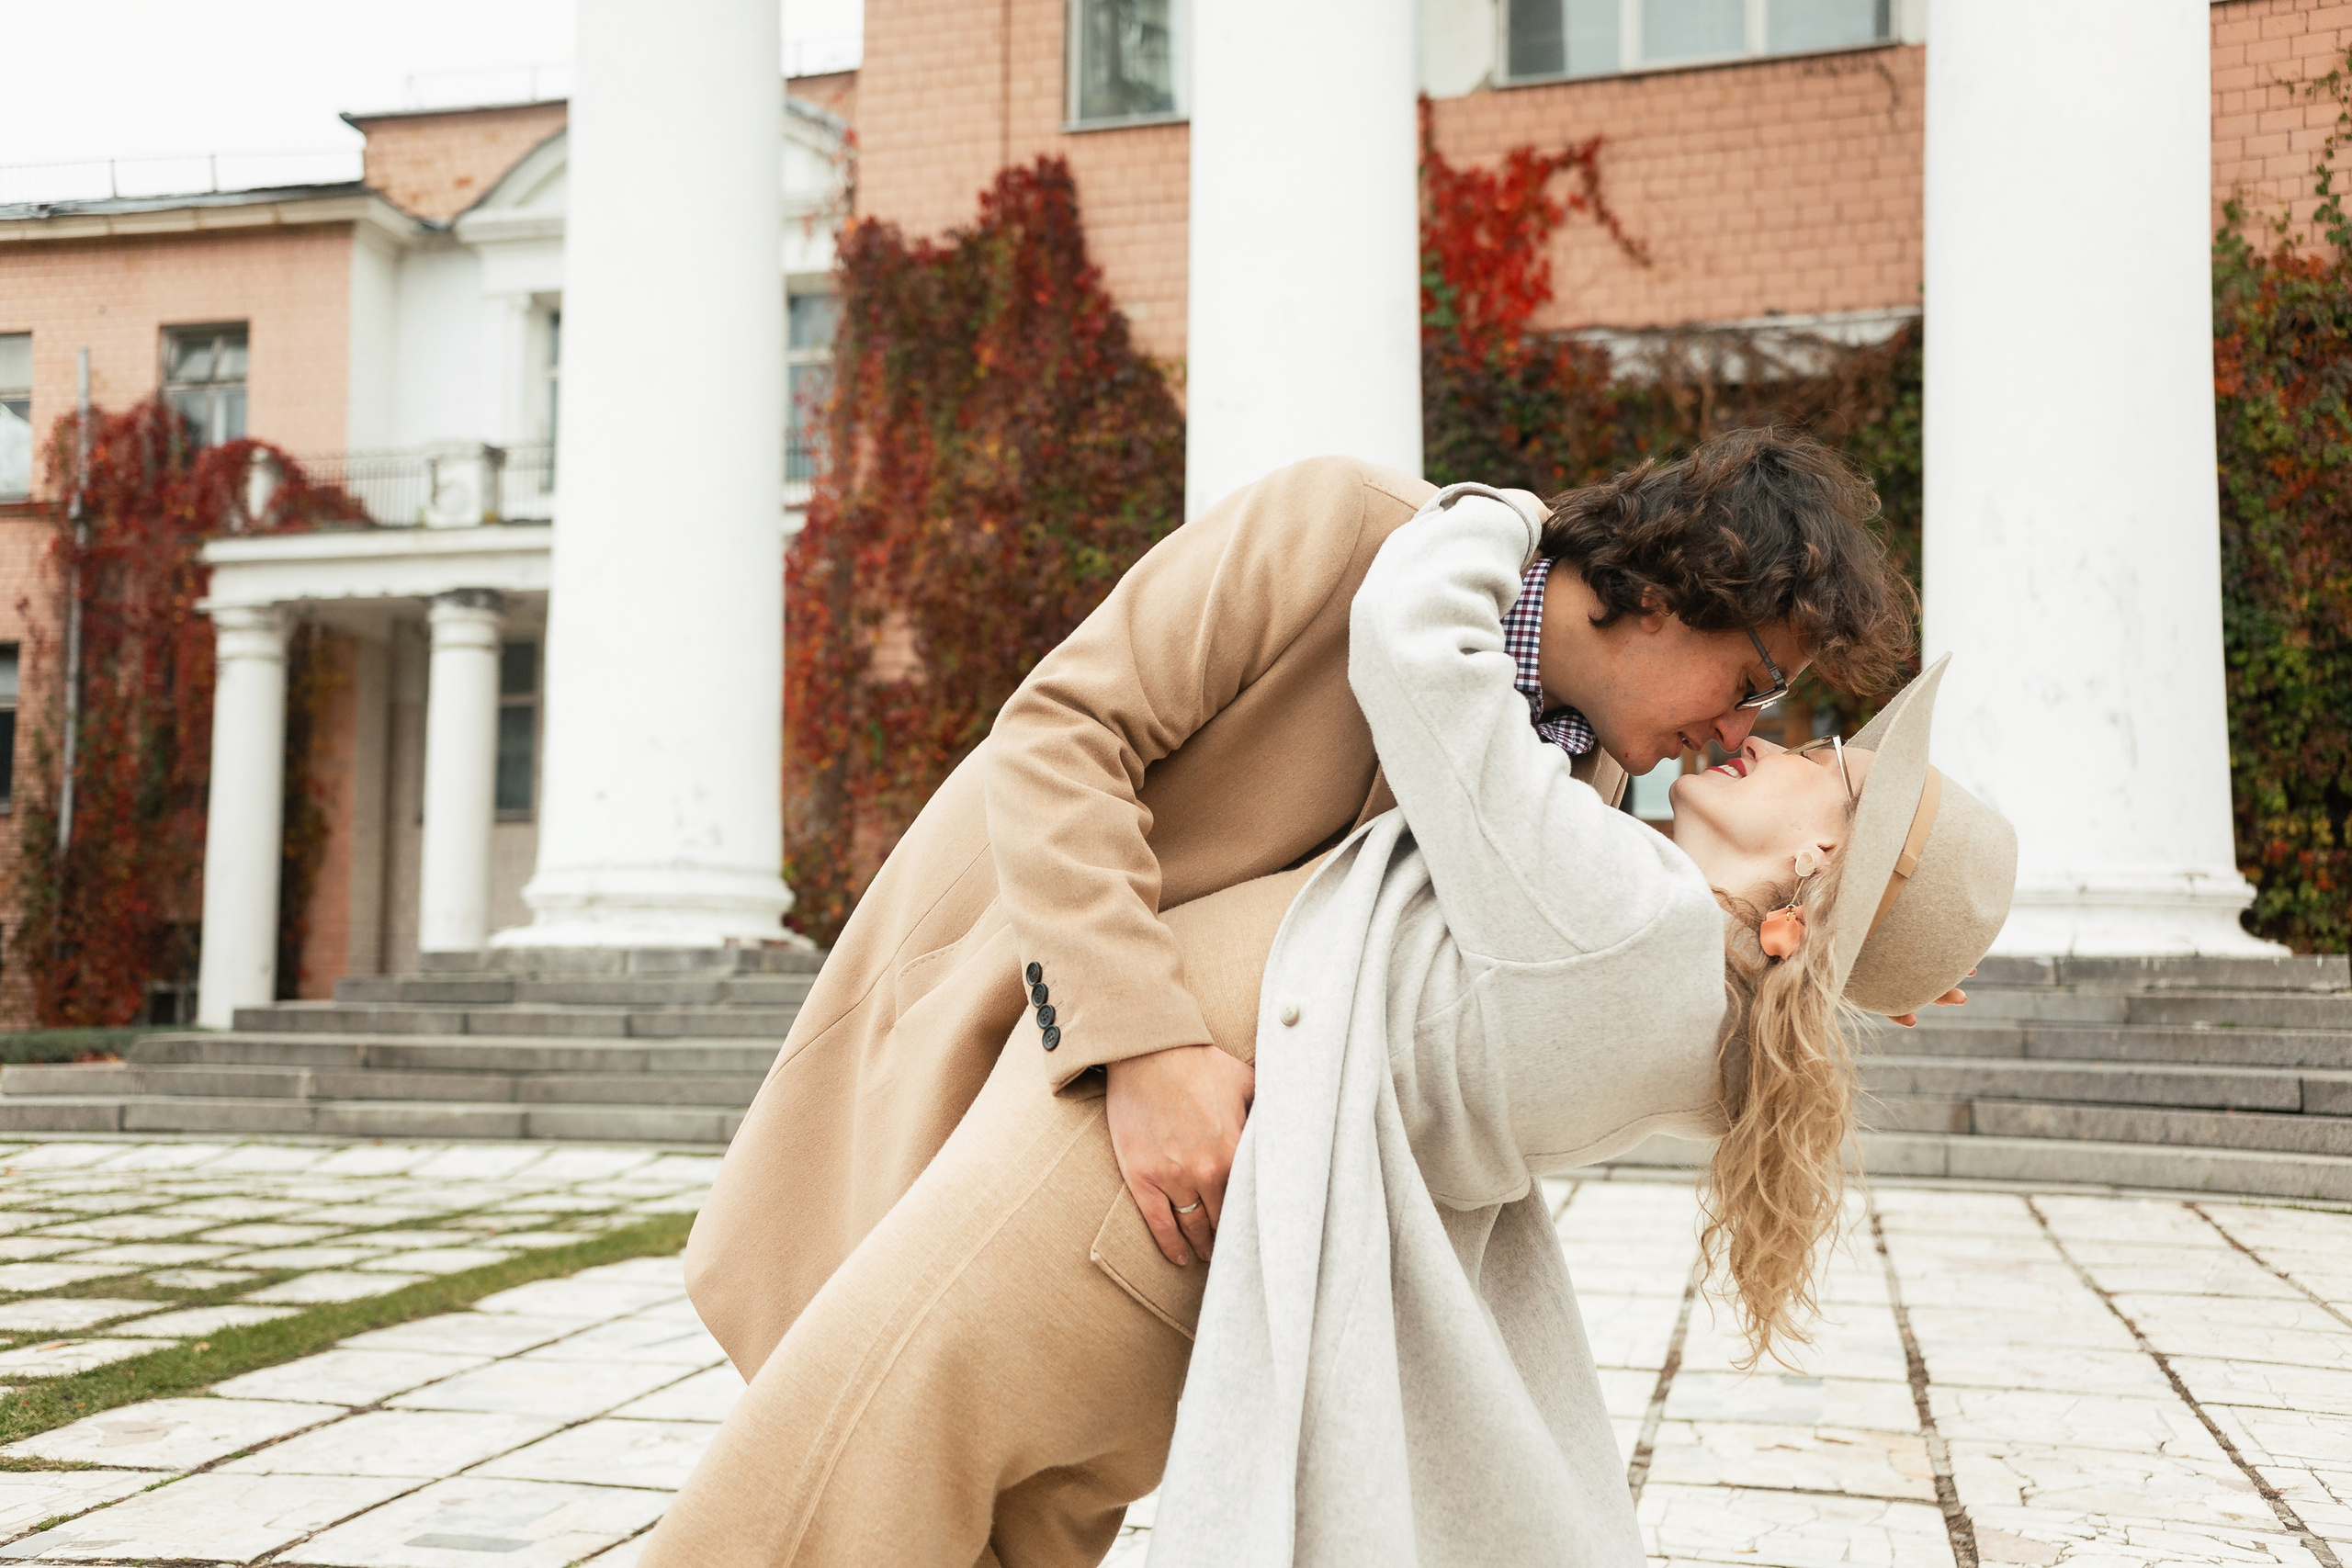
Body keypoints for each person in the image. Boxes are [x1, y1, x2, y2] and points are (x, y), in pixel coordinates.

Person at [647, 433, 1916, 1567]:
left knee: (1005, 1518)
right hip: (1015, 1027)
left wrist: (1858, 943)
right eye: (1753, 681)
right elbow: (1060, 732)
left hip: (1198, 1213)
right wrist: (1147, 1047)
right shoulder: (1345, 531)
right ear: (1675, 589)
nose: (1740, 733)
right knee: (850, 1464)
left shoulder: (1575, 783)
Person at [1142, 487, 2016, 1566]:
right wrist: (1863, 960)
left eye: (1820, 763)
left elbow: (1414, 638)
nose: (1765, 740)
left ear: (1821, 862)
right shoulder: (1701, 1001)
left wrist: (1542, 518)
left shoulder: (1632, 926)